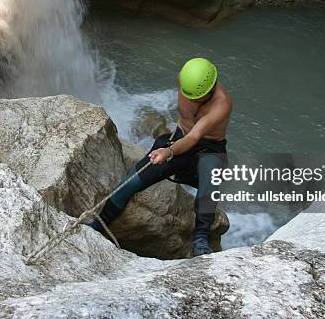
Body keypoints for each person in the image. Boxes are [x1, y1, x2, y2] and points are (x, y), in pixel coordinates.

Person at [88, 58, 232, 257]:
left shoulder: (222, 104)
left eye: (196, 97)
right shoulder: (186, 81)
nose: (190, 99)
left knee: (210, 178)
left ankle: (201, 239)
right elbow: (186, 135)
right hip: (180, 138)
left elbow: (194, 138)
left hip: (209, 149)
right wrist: (167, 149)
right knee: (133, 180)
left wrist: (168, 152)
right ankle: (98, 223)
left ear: (209, 91)